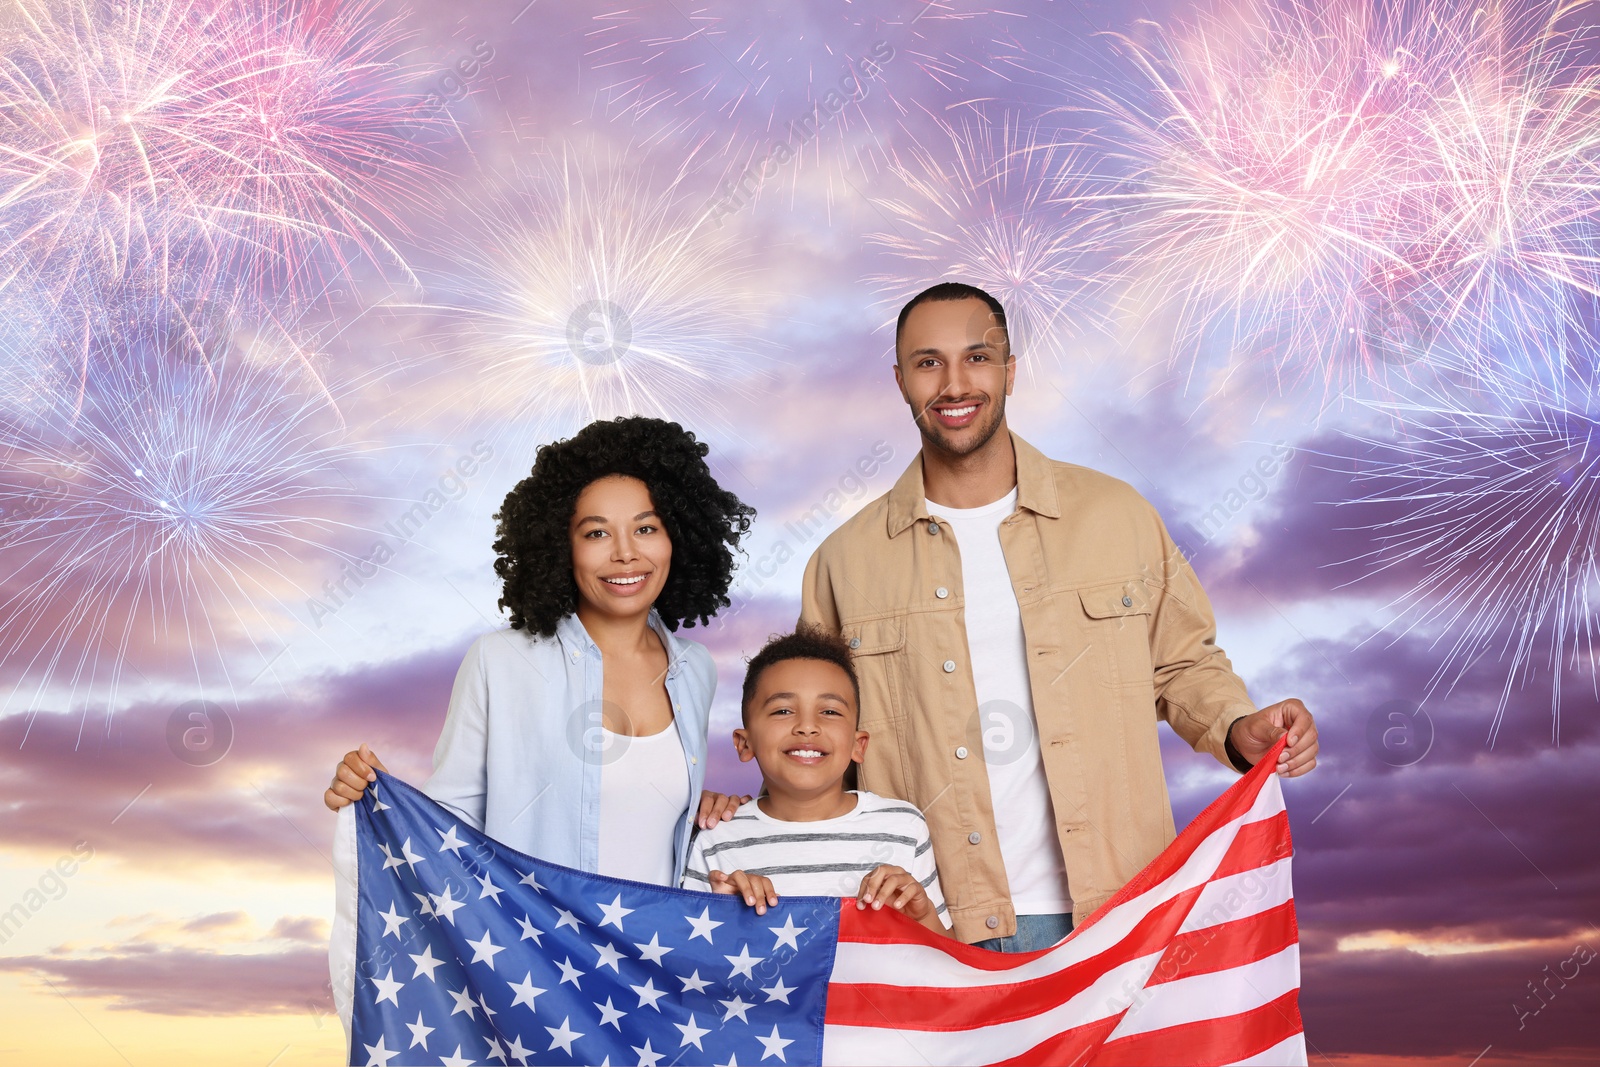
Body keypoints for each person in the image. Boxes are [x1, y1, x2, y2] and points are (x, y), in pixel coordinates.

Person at [799, 282, 1321, 951]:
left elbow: (1183, 662)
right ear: (900, 380)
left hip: (1115, 912)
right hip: (933, 929)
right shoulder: (843, 561)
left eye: (978, 357)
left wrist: (1238, 726)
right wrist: (737, 820)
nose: (955, 383)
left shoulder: (1116, 515)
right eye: (928, 362)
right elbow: (816, 749)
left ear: (1011, 370)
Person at [325, 416, 753, 886]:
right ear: (559, 547)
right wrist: (383, 799)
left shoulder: (696, 670)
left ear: (681, 537)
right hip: (538, 955)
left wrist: (716, 815)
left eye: (646, 528)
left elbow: (655, 828)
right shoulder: (500, 662)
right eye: (596, 533)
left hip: (651, 957)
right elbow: (451, 826)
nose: (626, 553)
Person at [682, 626, 951, 938]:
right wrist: (725, 916)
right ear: (744, 744)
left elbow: (948, 969)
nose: (807, 726)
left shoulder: (903, 827)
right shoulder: (715, 838)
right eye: (783, 710)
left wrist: (923, 915)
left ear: (858, 745)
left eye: (830, 711)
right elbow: (691, 966)